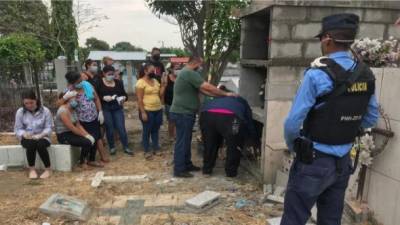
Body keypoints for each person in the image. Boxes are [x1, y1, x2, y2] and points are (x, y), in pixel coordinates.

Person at [280, 14, 379, 225]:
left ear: (327, 39)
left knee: (294, 219)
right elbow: (370, 118)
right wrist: (344, 128)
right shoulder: (366, 75)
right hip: (342, 163)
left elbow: (292, 123)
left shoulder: (316, 74)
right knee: (331, 220)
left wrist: (294, 145)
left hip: (313, 160)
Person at [169, 56, 238, 178]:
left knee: (186, 141)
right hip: (183, 113)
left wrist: (220, 96)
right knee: (182, 141)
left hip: (184, 113)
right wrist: (226, 93)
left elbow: (204, 91)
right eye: (200, 64)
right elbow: (207, 86)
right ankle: (179, 169)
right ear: (195, 63)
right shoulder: (189, 73)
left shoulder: (186, 73)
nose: (201, 67)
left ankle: (186, 164)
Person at [200, 95, 257, 177]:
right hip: (231, 117)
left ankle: (207, 170)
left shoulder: (216, 98)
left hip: (207, 115)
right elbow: (248, 119)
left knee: (209, 143)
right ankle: (231, 172)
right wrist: (253, 137)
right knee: (234, 144)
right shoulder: (241, 100)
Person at [65, 71, 105, 167]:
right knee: (87, 140)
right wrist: (72, 101)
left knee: (95, 138)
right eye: (78, 81)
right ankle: (82, 160)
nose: (81, 82)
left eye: (80, 80)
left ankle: (92, 159)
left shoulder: (87, 85)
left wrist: (100, 111)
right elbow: (67, 106)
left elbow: (96, 99)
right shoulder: (69, 92)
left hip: (94, 117)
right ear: (72, 82)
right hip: (81, 120)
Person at [14, 90, 53, 179]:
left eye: (31, 102)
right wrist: (24, 134)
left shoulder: (45, 111)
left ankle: (48, 169)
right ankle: (32, 169)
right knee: (31, 144)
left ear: (36, 100)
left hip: (43, 136)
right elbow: (17, 128)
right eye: (26, 103)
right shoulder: (20, 112)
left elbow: (49, 127)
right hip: (28, 137)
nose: (29, 105)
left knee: (40, 145)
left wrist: (41, 135)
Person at [55, 92, 96, 169]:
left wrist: (88, 135)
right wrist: (86, 136)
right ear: (68, 99)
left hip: (71, 133)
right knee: (86, 142)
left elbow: (78, 125)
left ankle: (91, 160)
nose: (77, 100)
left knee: (94, 137)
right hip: (63, 135)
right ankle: (82, 162)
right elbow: (72, 128)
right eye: (75, 98)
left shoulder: (72, 109)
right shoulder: (63, 111)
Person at [97, 65, 131, 155]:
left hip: (117, 108)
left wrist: (123, 98)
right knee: (110, 128)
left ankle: (126, 146)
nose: (111, 76)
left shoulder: (118, 82)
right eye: (109, 74)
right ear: (104, 74)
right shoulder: (99, 83)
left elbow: (125, 94)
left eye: (112, 74)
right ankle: (112, 147)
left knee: (121, 127)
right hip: (106, 108)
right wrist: (103, 98)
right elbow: (96, 96)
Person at [136, 63, 166, 160]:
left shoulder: (155, 81)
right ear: (145, 71)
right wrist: (143, 112)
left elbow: (160, 94)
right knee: (147, 130)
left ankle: (156, 148)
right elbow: (139, 99)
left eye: (155, 71)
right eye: (152, 71)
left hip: (158, 109)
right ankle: (146, 150)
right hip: (147, 110)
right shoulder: (140, 82)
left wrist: (164, 85)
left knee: (155, 130)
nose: (154, 73)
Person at [162, 67, 177, 140]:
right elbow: (163, 89)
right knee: (171, 120)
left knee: (177, 119)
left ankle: (176, 134)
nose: (176, 70)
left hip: (178, 102)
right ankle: (171, 135)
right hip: (169, 102)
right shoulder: (166, 77)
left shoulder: (180, 77)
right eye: (175, 69)